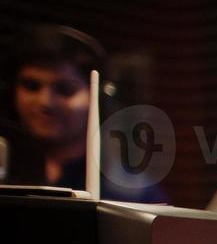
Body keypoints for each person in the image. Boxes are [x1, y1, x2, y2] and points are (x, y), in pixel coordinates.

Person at [2, 24, 165, 202]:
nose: (46, 102)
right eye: (31, 86)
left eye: (65, 90)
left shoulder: (130, 191)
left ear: (98, 98)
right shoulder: (8, 171)